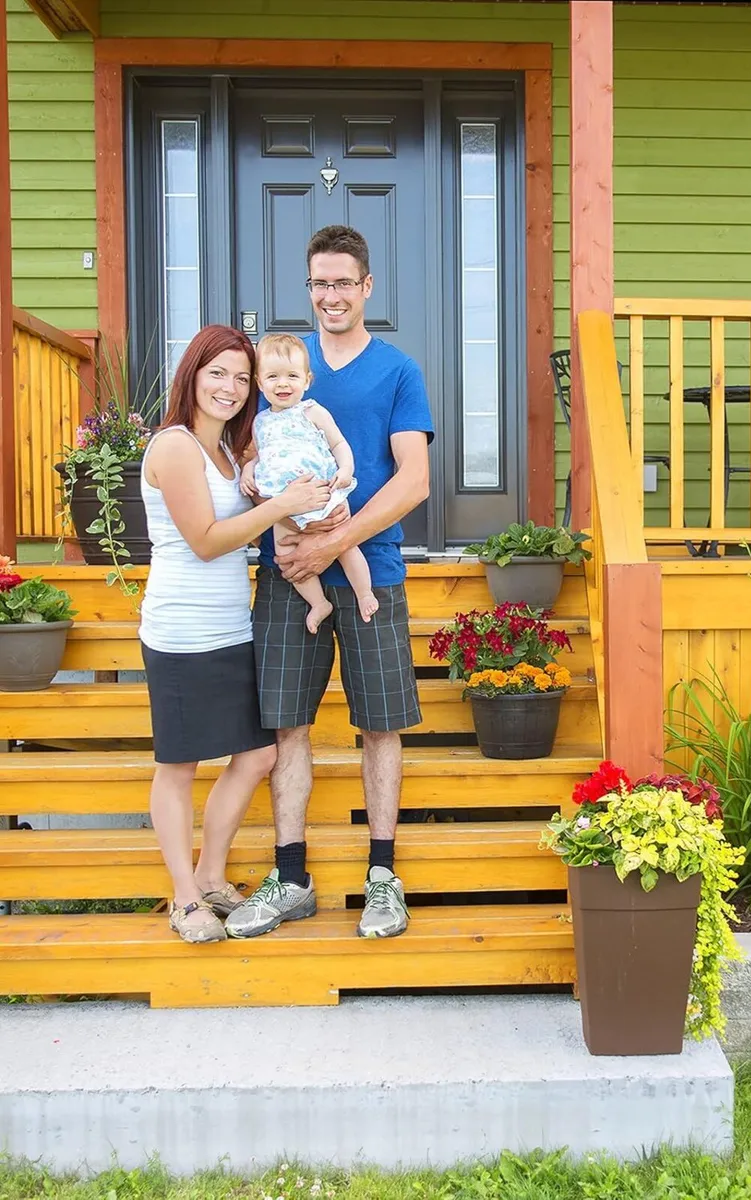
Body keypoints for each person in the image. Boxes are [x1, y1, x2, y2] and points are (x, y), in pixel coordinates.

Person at [226, 225, 434, 942]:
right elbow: (248, 451)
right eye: (320, 282)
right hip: (287, 572)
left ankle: (382, 877)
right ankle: (291, 877)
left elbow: (415, 480)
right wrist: (252, 480)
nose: (331, 294)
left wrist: (337, 542)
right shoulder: (281, 365)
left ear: (367, 286)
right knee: (288, 722)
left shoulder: (398, 371)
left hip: (369, 570)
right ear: (308, 287)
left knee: (380, 725)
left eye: (344, 282)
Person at [138, 325, 333, 944]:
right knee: (179, 765)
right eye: (217, 373)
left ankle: (212, 875)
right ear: (192, 374)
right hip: (181, 631)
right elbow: (205, 541)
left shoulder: (228, 451)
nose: (230, 387)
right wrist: (282, 505)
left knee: (257, 754)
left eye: (241, 377)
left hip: (229, 627)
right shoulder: (174, 447)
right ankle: (184, 897)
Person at [242, 333, 379, 634]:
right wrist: (248, 470)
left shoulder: (312, 411)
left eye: (292, 376)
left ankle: (364, 591)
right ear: (259, 382)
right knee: (285, 554)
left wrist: (345, 469)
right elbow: (260, 456)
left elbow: (339, 443)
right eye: (273, 376)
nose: (282, 384)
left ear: (306, 380)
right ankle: (318, 603)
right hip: (284, 507)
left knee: (345, 544)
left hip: (323, 493)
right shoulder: (260, 421)